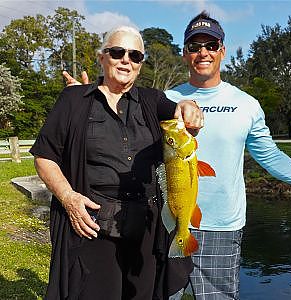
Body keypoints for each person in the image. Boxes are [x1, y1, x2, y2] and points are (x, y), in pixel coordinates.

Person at [66, 11, 291, 300]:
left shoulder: (246, 104)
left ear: (222, 51)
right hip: (167, 222)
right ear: (184, 54)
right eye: (194, 46)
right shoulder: (164, 100)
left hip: (222, 229)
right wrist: (85, 101)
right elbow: (120, 134)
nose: (203, 52)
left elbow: (271, 157)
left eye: (211, 45)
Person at [30, 26, 202, 300]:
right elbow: (45, 157)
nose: (126, 60)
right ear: (102, 57)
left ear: (140, 64)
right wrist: (68, 197)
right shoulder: (74, 100)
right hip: (93, 223)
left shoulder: (152, 100)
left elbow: (182, 112)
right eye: (118, 52)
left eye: (135, 56)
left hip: (146, 224)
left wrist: (190, 105)